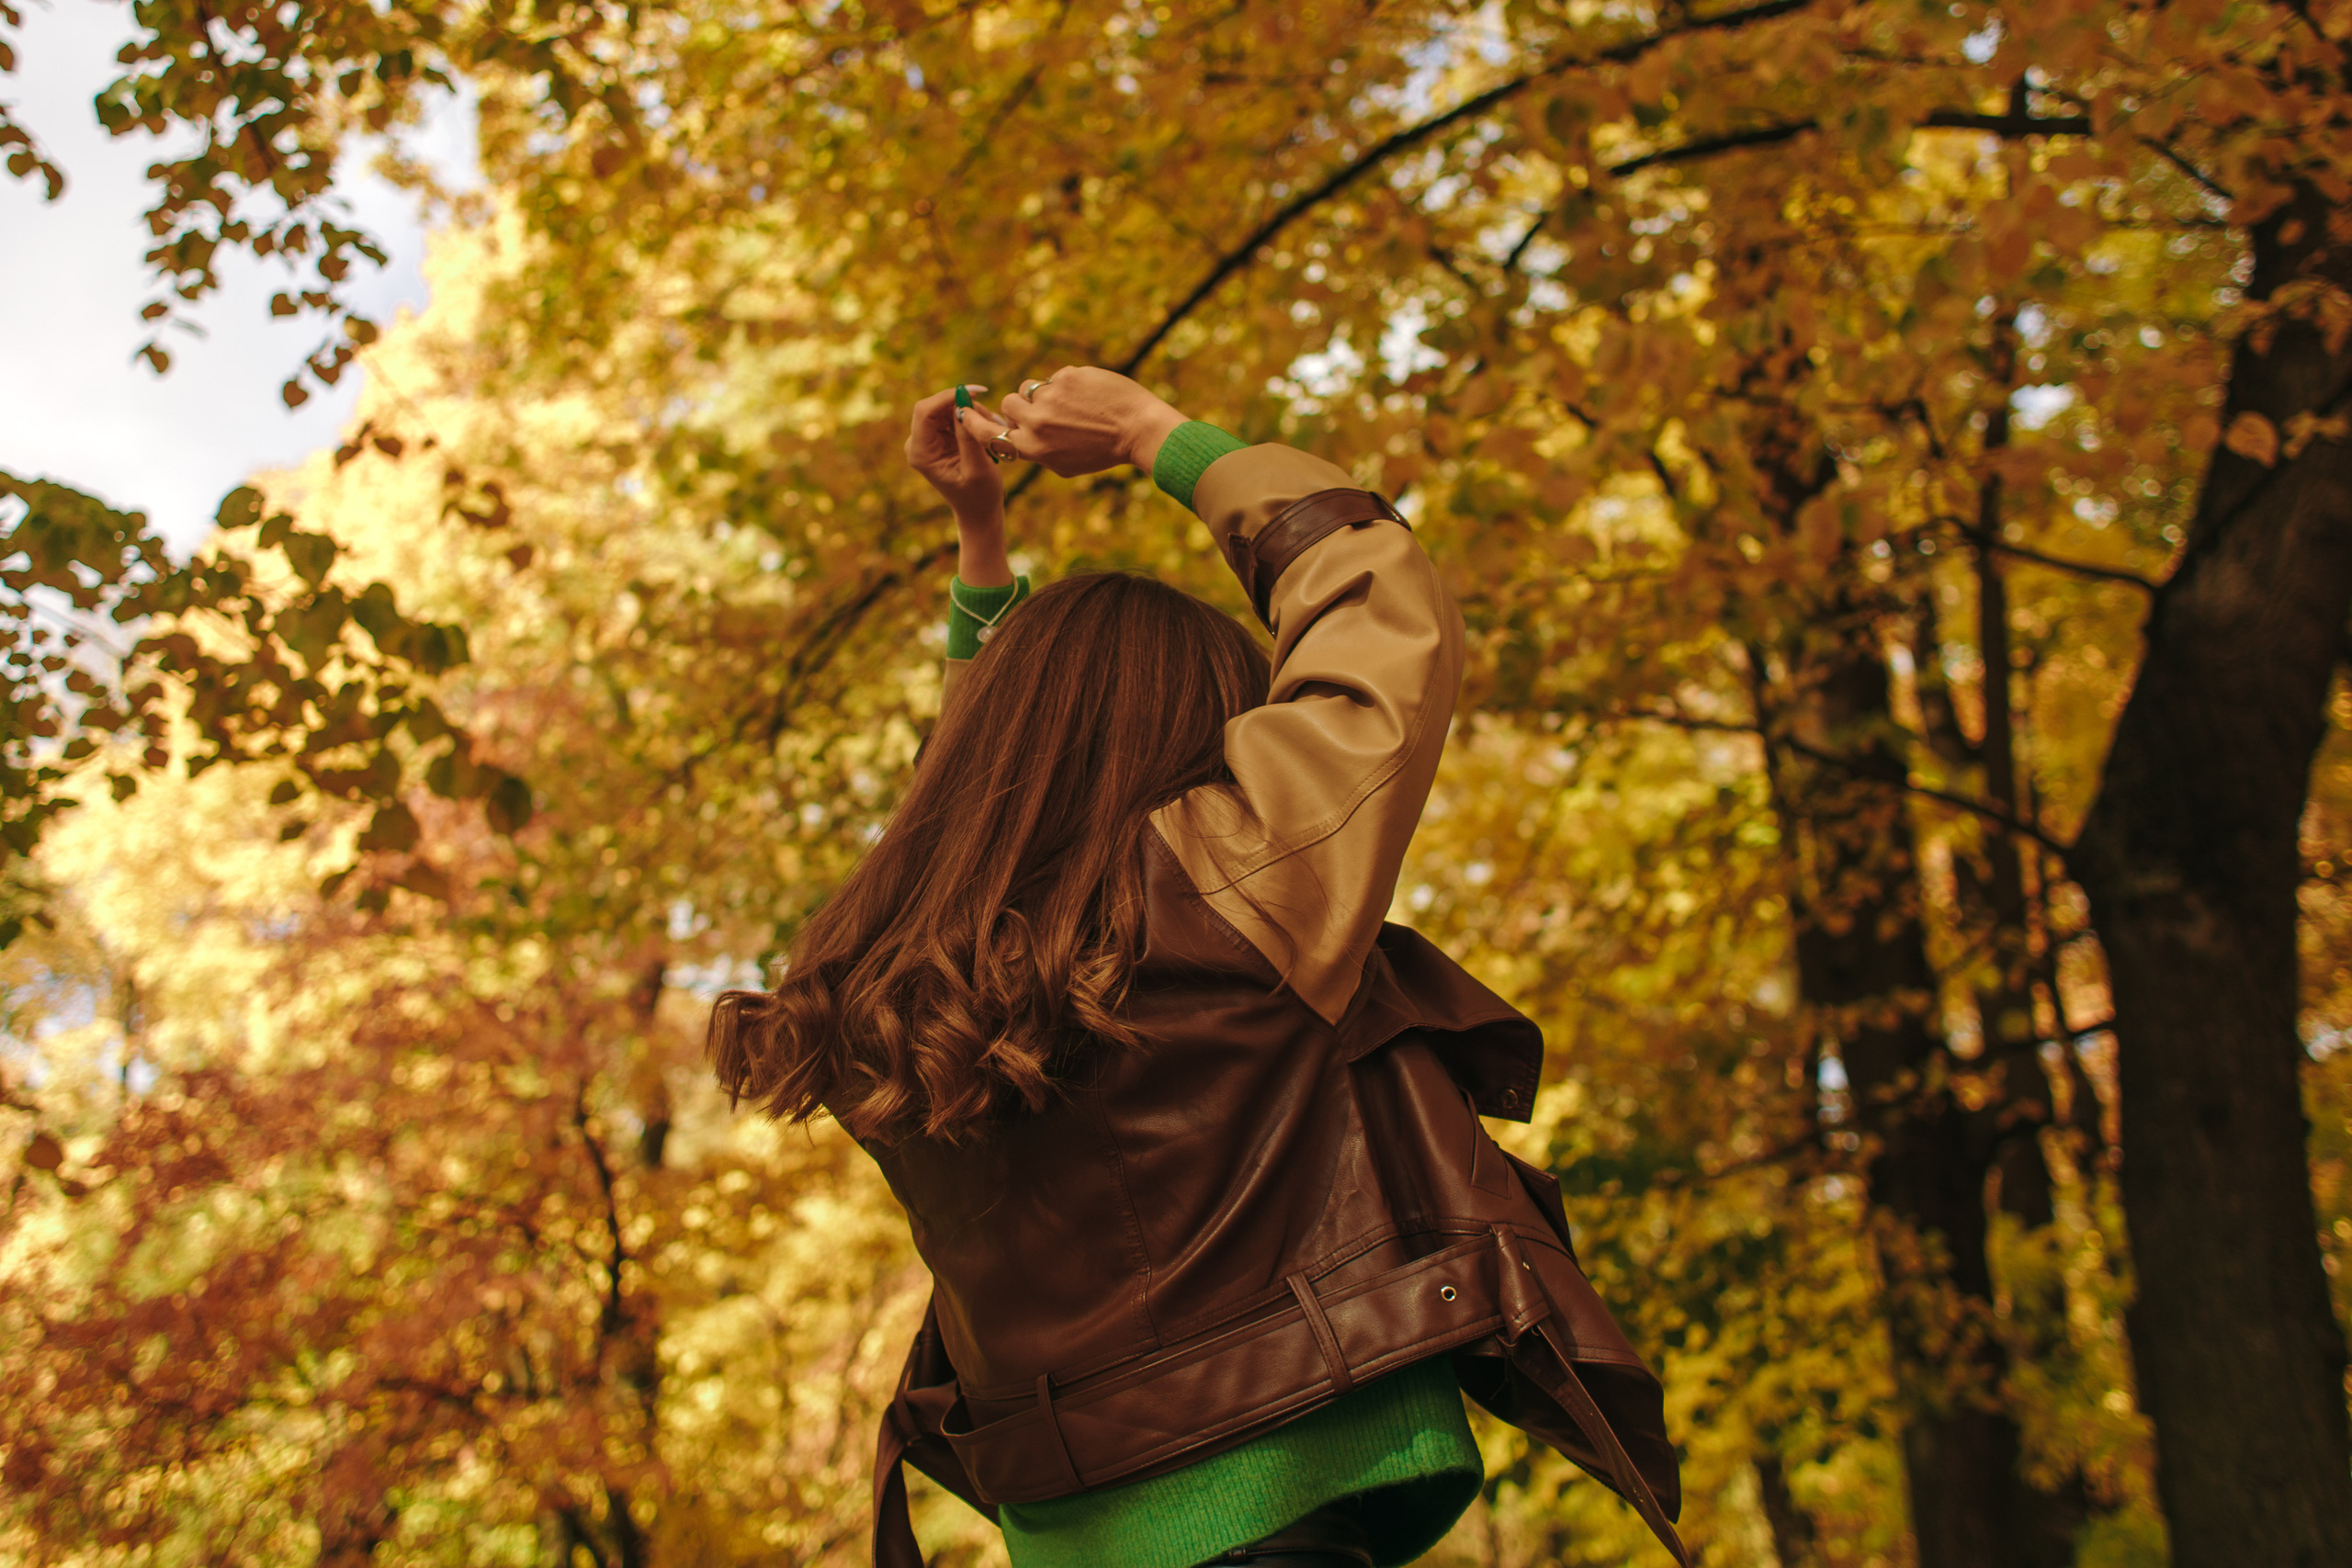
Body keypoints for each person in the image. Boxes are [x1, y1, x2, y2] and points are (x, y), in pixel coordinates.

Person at [707, 368, 1684, 1568]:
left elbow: (979, 805)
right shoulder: (1226, 889)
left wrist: (981, 544)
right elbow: (1373, 590)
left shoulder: (903, 987)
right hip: (1271, 1520)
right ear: (1201, 732)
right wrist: (1150, 435)